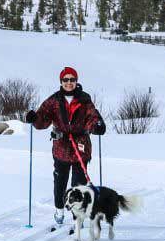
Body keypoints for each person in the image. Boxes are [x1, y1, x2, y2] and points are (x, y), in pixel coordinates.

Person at [25, 66, 106, 226]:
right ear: (61, 82)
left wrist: (96, 125)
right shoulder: (54, 100)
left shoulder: (84, 99)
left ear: (76, 81)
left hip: (80, 149)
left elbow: (92, 116)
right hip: (61, 148)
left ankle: (78, 217)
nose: (69, 83)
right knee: (60, 182)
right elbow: (43, 120)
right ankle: (59, 210)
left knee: (78, 185)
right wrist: (34, 118)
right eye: (65, 80)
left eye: (72, 79)